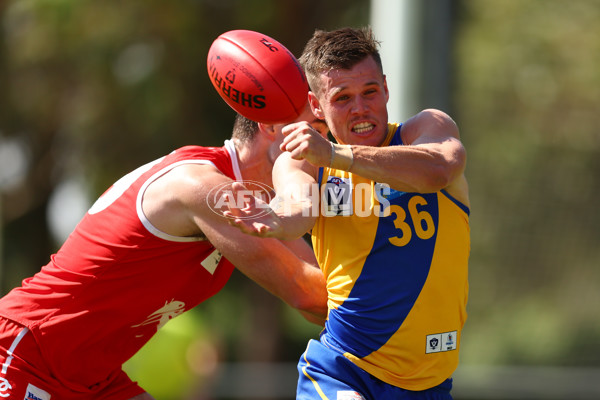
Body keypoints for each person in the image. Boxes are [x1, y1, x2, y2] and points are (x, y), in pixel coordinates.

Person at [0, 105, 330, 400]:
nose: (325, 150)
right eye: (316, 130)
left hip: (94, 378)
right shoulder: (203, 187)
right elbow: (308, 293)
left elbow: (326, 292)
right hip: (28, 352)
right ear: (271, 126)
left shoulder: (248, 200)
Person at [226, 27, 470, 400]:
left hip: (430, 382)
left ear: (386, 89)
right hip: (344, 369)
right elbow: (298, 208)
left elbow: (439, 169)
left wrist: (337, 155)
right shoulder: (305, 162)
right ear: (317, 104)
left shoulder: (426, 130)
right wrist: (276, 218)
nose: (360, 108)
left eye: (369, 92)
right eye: (342, 98)